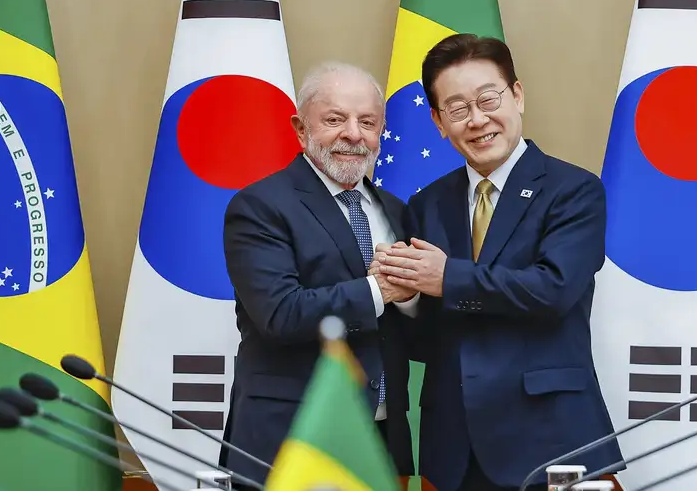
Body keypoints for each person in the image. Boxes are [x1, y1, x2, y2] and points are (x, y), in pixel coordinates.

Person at [375, 34, 624, 491]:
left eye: (488, 99)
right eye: (457, 109)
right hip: (453, 448)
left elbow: (553, 291)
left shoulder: (573, 190)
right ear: (438, 122)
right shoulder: (427, 205)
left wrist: (446, 277)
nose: (477, 120)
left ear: (517, 96)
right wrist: (408, 298)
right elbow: (426, 342)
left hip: (549, 438)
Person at [221, 61, 417, 488]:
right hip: (293, 438)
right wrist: (379, 290)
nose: (353, 134)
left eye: (367, 122)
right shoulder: (259, 207)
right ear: (300, 128)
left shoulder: (397, 211)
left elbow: (407, 330)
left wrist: (413, 296)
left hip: (381, 439)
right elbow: (280, 314)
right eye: (334, 119)